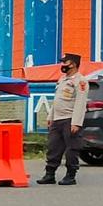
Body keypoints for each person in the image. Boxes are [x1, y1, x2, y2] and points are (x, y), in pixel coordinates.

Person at [38, 53, 88, 186]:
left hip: (70, 119)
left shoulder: (80, 81)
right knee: (53, 147)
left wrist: (76, 122)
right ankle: (50, 174)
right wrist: (50, 117)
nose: (63, 65)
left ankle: (70, 176)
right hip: (57, 119)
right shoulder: (62, 80)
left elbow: (80, 103)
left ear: (73, 64)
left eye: (65, 62)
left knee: (72, 149)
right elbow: (56, 101)